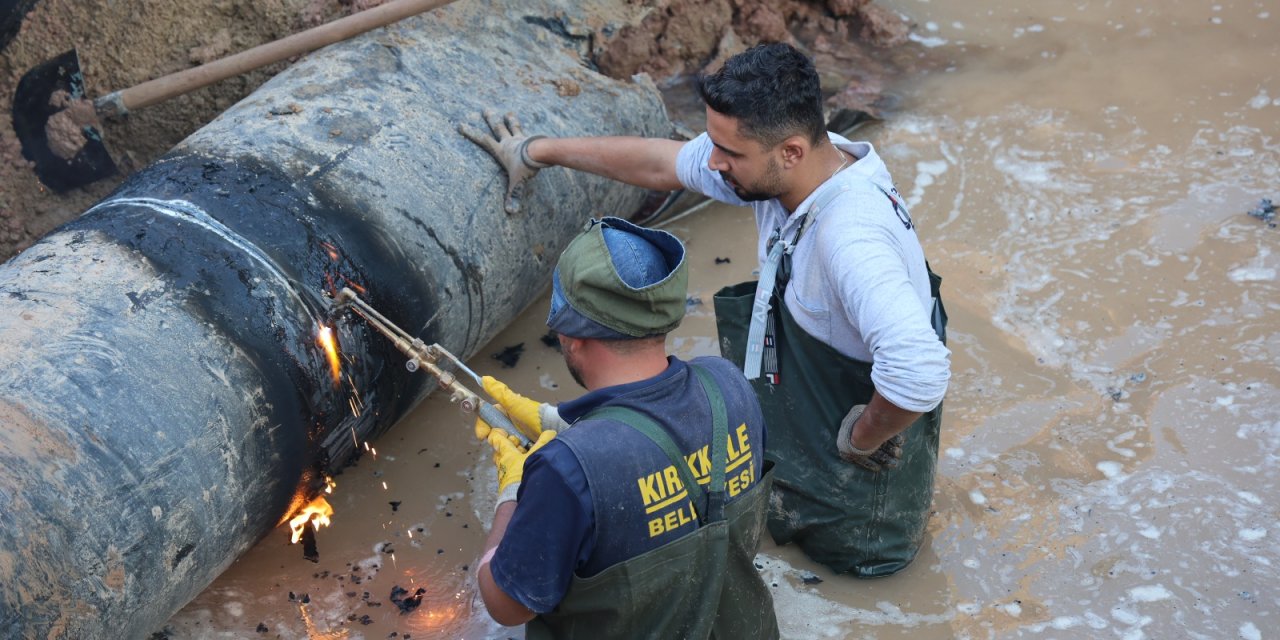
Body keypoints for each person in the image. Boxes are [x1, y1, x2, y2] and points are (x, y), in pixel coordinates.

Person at [459, 42, 950, 577]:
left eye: (728, 154)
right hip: (806, 427)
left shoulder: (850, 237)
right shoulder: (795, 166)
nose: (714, 163)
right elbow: (662, 161)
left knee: (846, 576)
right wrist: (537, 151)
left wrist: (862, 438)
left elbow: (919, 372)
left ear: (790, 151)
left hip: (857, 496)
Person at [472, 216, 778, 638]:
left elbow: (506, 605)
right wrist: (560, 422)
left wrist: (511, 493)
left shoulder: (564, 470)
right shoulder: (729, 384)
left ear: (568, 333)